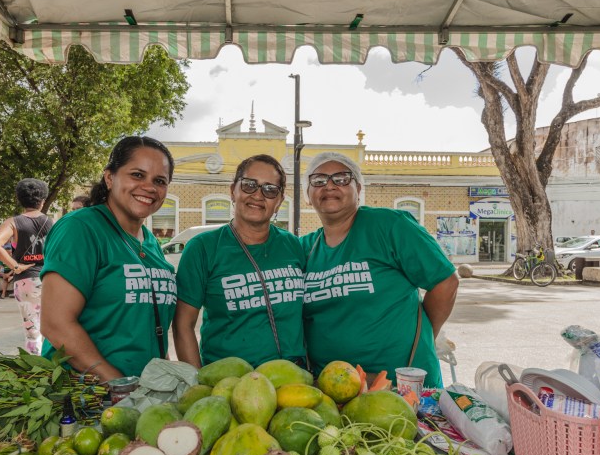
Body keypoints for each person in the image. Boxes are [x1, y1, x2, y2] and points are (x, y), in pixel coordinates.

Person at [301, 152, 459, 387]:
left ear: (359, 188)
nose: (330, 185)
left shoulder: (391, 226)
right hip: (332, 388)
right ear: (307, 195)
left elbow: (445, 281)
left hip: (401, 384)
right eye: (319, 180)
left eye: (342, 178)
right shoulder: (305, 248)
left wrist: (427, 333)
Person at [40, 136, 177, 380]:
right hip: (86, 396)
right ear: (110, 177)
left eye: (159, 181)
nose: (149, 187)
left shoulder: (150, 241)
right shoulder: (81, 228)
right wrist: (115, 381)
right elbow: (56, 324)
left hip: (141, 395)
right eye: (137, 175)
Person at [173, 155, 306, 369]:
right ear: (233, 190)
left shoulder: (293, 245)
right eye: (249, 185)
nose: (257, 195)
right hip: (227, 383)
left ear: (280, 200)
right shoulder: (202, 248)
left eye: (270, 189)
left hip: (291, 381)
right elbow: (183, 325)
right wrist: (197, 383)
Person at [0, 178, 54, 353]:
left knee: (32, 331)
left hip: (25, 282)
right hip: (51, 280)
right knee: (53, 329)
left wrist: (15, 266)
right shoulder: (52, 223)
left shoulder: (14, 222)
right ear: (42, 201)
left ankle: (37, 370)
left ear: (19, 199)